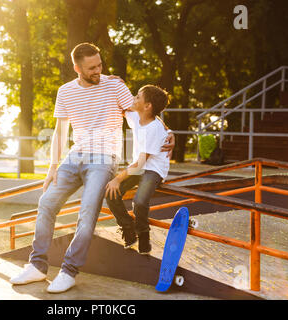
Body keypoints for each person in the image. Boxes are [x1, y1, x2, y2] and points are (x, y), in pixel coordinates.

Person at [9, 43, 174, 293]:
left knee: (87, 214)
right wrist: (53, 166)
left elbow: (145, 111)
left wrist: (168, 131)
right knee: (46, 203)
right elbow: (60, 131)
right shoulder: (65, 92)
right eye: (92, 68)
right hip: (75, 157)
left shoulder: (115, 85)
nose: (99, 70)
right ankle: (38, 266)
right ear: (77, 68)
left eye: (100, 65)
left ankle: (69, 271)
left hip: (104, 158)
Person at [105, 85, 171, 255]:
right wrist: (116, 81)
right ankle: (128, 229)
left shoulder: (154, 129)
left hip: (153, 170)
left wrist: (117, 179)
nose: (133, 99)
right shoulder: (135, 116)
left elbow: (141, 164)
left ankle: (143, 234)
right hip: (139, 167)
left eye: (137, 97)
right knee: (111, 193)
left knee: (140, 201)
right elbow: (121, 101)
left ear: (147, 106)